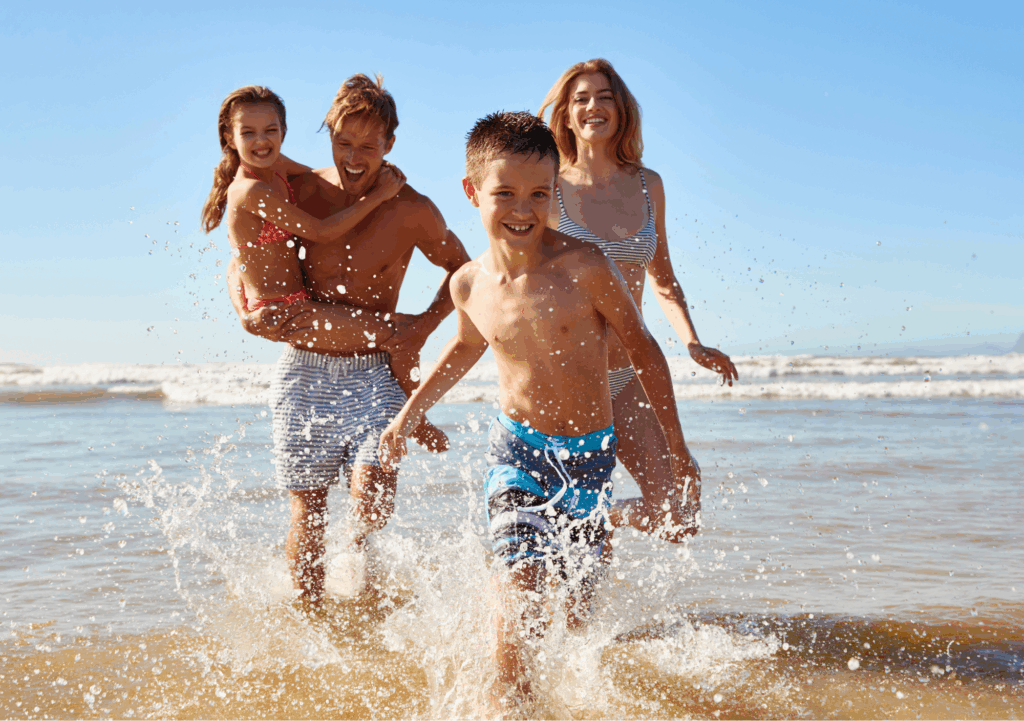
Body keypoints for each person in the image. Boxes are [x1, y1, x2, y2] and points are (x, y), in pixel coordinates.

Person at [377, 111, 699, 711]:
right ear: (472, 192)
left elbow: (644, 351)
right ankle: (509, 704)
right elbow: (468, 345)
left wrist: (676, 449)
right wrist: (407, 416)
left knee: (575, 625)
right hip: (517, 456)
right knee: (519, 604)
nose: (522, 208)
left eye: (538, 193)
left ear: (556, 194)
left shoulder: (585, 267)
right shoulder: (469, 284)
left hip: (590, 460)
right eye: (504, 193)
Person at [224, 76, 470, 606]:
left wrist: (420, 330)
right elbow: (241, 247)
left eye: (368, 145)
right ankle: (316, 624)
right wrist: (243, 307)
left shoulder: (412, 208)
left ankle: (366, 597)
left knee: (370, 504)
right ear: (327, 135)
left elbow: (464, 271)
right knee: (307, 512)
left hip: (373, 370)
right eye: (343, 142)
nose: (354, 157)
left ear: (390, 145)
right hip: (304, 370)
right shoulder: (302, 189)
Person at [538, 58, 739, 539]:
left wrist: (692, 342)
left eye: (604, 97)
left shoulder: (649, 186)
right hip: (566, 378)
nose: (593, 107)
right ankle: (574, 527)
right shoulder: (548, 189)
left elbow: (663, 279)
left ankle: (593, 522)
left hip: (628, 374)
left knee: (678, 516)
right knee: (566, 548)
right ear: (565, 115)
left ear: (622, 110)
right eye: (581, 99)